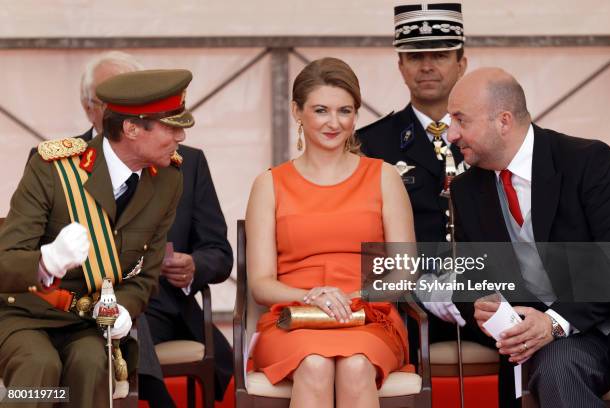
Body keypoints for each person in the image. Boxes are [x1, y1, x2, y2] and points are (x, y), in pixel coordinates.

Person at [29, 51, 235, 406]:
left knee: (132, 323)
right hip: (84, 300)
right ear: (87, 107)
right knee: (118, 323)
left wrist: (193, 267)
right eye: (108, 100)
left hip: (164, 303)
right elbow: (33, 250)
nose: (119, 108)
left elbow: (220, 254)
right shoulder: (55, 163)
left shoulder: (187, 164)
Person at [0, 68, 192, 408]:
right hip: (26, 314)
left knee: (91, 364)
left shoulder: (167, 181)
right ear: (132, 128)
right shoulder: (53, 169)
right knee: (39, 367)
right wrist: (46, 261)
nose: (180, 138)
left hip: (87, 323)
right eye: (171, 127)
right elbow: (6, 260)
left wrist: (125, 308)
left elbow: (145, 275)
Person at [246, 57, 415, 407]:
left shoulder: (384, 177)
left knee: (355, 366)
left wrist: (351, 297)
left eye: (345, 111)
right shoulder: (269, 184)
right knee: (314, 365)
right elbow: (261, 283)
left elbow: (403, 272)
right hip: (294, 319)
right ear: (297, 111)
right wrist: (312, 297)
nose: (334, 123)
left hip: (370, 315)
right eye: (321, 110)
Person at [447, 67, 610, 407]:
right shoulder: (465, 189)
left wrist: (553, 323)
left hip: (604, 323)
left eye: (461, 121)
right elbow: (468, 279)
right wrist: (482, 306)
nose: (451, 133)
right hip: (552, 348)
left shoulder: (587, 161)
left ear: (503, 121)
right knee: (558, 366)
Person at [356, 2, 469, 358]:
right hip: (404, 299)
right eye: (415, 56)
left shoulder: (490, 135)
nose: (427, 66)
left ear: (462, 62)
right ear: (401, 66)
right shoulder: (372, 144)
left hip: (482, 289)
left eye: (440, 54)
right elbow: (366, 234)